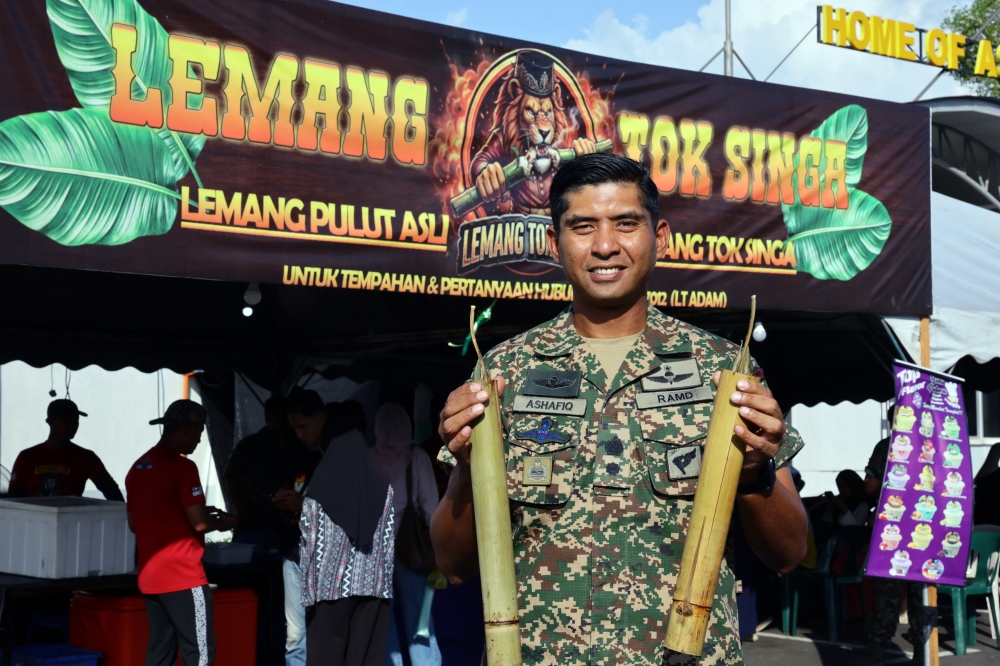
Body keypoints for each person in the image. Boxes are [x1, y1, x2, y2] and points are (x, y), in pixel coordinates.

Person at [430, 153, 808, 665]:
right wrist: (468, 467)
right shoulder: (503, 372)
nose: (605, 246)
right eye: (582, 227)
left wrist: (755, 471)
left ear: (661, 235)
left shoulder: (725, 372)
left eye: (626, 224)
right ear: (553, 242)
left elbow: (789, 553)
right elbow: (452, 563)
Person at [126, 399, 237, 666]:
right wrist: (226, 522)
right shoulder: (183, 467)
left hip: (151, 577)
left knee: (160, 653)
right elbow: (199, 523)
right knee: (199, 653)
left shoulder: (138, 467)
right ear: (186, 428)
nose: (199, 440)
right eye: (199, 432)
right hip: (184, 577)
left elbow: (134, 523)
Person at [298, 399, 394, 666]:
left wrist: (308, 597)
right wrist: (383, 585)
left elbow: (308, 547)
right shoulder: (384, 487)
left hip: (329, 593)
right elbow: (388, 544)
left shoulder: (316, 492)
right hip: (374, 590)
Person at [372, 403, 441, 666]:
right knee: (419, 622)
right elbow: (431, 510)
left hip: (373, 552)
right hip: (410, 551)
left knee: (381, 624)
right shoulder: (417, 458)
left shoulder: (366, 458)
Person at [862, 407, 925, 666]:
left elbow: (871, 486)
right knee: (921, 588)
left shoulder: (887, 446)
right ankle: (923, 651)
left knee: (888, 588)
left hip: (893, 526)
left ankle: (878, 649)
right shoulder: (930, 448)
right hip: (925, 527)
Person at [278, 390, 328, 666]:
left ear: (321, 419)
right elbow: (291, 488)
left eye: (303, 427)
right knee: (295, 635)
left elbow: (345, 512)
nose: (298, 434)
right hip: (294, 553)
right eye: (294, 427)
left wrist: (303, 503)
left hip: (326, 557)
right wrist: (283, 499)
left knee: (325, 632)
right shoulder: (293, 453)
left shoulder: (336, 457)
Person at [8, 399, 123, 500]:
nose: (73, 426)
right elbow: (14, 500)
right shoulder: (27, 457)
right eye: (66, 421)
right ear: (50, 421)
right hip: (34, 523)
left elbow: (112, 491)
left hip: (71, 522)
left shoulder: (86, 458)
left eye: (76, 420)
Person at [226, 396, 297, 549]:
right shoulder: (250, 445)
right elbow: (230, 476)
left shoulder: (298, 442)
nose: (285, 424)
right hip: (255, 520)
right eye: (279, 419)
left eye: (287, 419)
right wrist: (243, 512)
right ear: (267, 418)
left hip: (290, 521)